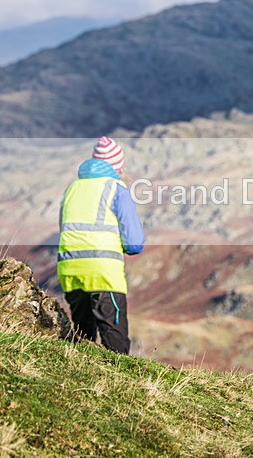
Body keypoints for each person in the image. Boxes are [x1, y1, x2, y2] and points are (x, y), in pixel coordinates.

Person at [58, 136, 144, 354]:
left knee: (82, 336)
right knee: (114, 339)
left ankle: (78, 380)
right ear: (118, 166)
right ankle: (123, 385)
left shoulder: (72, 188)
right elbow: (134, 242)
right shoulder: (116, 188)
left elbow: (64, 227)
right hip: (103, 271)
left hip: (70, 269)